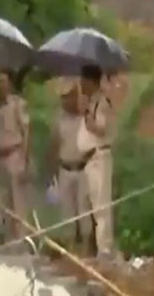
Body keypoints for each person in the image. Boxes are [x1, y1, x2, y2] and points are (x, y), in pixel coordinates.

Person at [48, 77, 90, 251]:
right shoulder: (59, 119)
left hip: (83, 168)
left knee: (84, 211)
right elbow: (54, 144)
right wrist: (51, 172)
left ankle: (86, 250)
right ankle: (70, 251)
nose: (65, 101)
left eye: (68, 96)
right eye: (63, 97)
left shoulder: (85, 118)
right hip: (65, 168)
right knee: (67, 212)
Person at [78, 65, 115, 255]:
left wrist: (88, 117)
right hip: (88, 160)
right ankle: (97, 248)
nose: (81, 85)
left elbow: (101, 129)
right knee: (90, 207)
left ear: (92, 81)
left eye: (83, 81)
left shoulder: (102, 103)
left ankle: (105, 250)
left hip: (99, 156)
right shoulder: (91, 103)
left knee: (102, 207)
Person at [0, 70, 31, 242]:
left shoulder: (18, 104)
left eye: (4, 81)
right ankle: (8, 239)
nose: (1, 85)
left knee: (19, 202)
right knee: (3, 201)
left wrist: (25, 158)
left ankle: (22, 239)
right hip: (1, 157)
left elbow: (27, 130)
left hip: (15, 154)